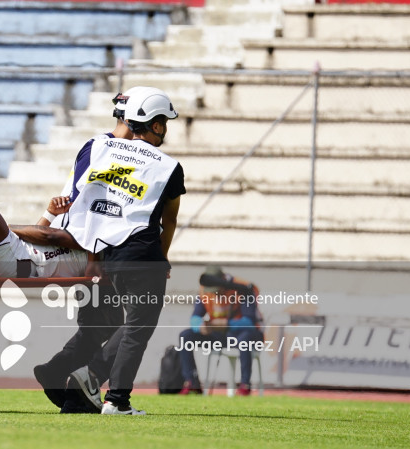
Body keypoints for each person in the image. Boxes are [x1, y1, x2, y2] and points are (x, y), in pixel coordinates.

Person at [61, 87, 185, 415]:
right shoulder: (169, 166)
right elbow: (169, 221)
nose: (166, 129)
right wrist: (163, 256)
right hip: (143, 254)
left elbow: (84, 201)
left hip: (108, 255)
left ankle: (89, 379)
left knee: (131, 327)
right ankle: (115, 399)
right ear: (156, 125)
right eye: (164, 123)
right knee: (137, 329)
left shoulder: (103, 148)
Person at [177, 265, 262, 396]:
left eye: (217, 291)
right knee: (185, 336)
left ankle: (245, 385)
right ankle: (192, 383)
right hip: (218, 335)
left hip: (242, 335)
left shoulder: (242, 288)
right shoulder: (205, 290)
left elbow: (249, 323)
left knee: (245, 338)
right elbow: (195, 317)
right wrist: (200, 326)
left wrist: (226, 324)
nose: (215, 294)